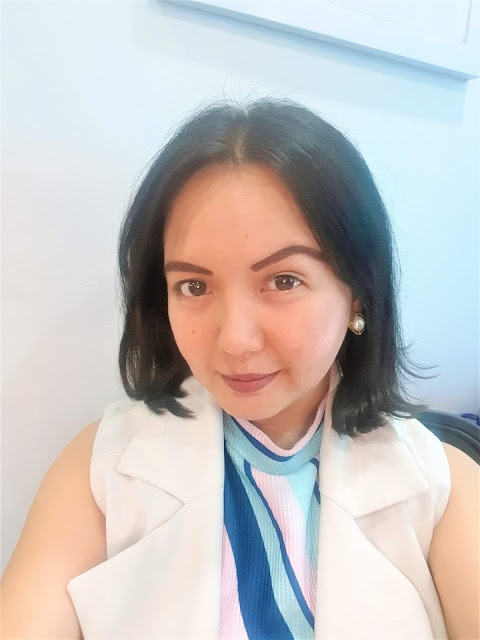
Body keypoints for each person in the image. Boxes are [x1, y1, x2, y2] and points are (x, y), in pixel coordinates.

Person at [1, 97, 478, 639]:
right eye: (194, 286)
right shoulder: (99, 470)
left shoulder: (442, 485)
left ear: (357, 294)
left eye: (283, 281)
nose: (235, 339)